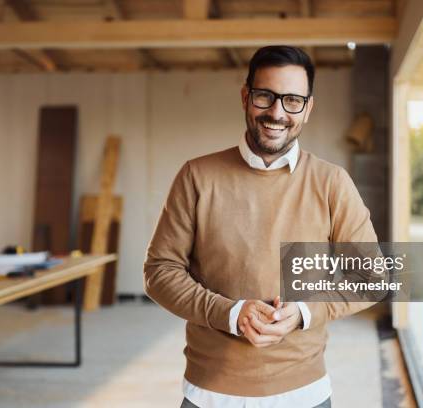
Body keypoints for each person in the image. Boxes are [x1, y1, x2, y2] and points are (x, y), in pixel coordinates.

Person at [144, 45, 379, 408]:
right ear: (245, 97)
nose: (277, 112)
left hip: (306, 395)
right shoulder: (197, 176)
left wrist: (304, 312)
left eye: (292, 100)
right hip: (210, 395)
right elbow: (160, 271)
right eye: (265, 96)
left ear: (308, 108)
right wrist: (231, 313)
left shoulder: (332, 182)